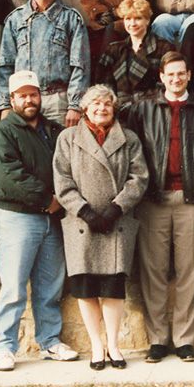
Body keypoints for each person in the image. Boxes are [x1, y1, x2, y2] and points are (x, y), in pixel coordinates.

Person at [121, 53, 194, 364]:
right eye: (170, 74)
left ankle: (185, 340)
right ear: (161, 77)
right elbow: (132, 154)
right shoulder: (143, 109)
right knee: (154, 271)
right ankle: (158, 339)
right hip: (155, 199)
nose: (176, 79)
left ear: (188, 75)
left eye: (181, 73)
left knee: (190, 271)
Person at [0, 70, 79, 371]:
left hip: (51, 220)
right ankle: (5, 347)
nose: (29, 100)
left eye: (33, 94)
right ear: (11, 100)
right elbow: (8, 175)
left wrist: (59, 202)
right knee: (13, 287)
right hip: (17, 217)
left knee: (49, 286)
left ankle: (50, 342)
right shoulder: (3, 132)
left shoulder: (53, 130)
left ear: (40, 96)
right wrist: (47, 200)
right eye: (22, 95)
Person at [55, 84, 149, 370]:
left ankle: (114, 346)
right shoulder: (68, 138)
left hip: (116, 223)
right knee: (86, 288)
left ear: (114, 108)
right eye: (95, 104)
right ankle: (96, 346)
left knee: (112, 287)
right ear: (85, 108)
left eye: (107, 104)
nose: (101, 109)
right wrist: (86, 212)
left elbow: (139, 178)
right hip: (82, 223)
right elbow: (62, 180)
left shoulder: (128, 138)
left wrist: (115, 209)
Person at [0, 0, 90, 127]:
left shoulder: (71, 18)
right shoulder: (15, 19)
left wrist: (74, 105)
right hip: (24, 100)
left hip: (58, 101)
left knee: (59, 151)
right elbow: (5, 65)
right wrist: (4, 105)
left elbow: (80, 65)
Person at [95, 0, 176, 106]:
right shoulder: (114, 49)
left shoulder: (164, 47)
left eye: (138, 18)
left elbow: (168, 86)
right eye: (128, 19)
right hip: (119, 109)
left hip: (152, 108)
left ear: (147, 20)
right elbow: (104, 85)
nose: (132, 24)